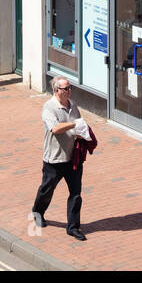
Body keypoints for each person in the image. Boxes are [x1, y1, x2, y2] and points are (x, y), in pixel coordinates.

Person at [31, 77, 92, 241]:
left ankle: (73, 228)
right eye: (65, 88)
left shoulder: (73, 105)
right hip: (54, 160)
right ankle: (37, 213)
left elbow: (79, 125)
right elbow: (56, 128)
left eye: (70, 87)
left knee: (76, 194)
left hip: (73, 159)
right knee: (47, 190)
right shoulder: (49, 108)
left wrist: (83, 135)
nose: (69, 91)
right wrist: (74, 124)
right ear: (56, 90)